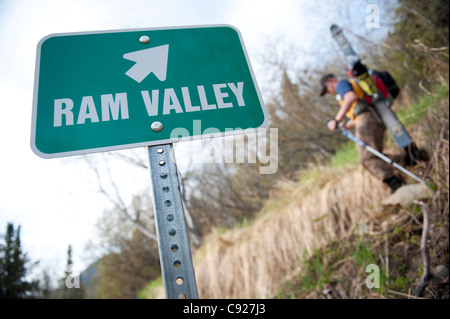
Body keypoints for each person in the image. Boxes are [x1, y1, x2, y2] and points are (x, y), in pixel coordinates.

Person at [320, 73, 405, 192]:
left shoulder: (341, 85)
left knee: (367, 158)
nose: (329, 92)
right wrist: (347, 124)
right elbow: (358, 109)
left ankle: (396, 184)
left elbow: (351, 96)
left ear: (330, 80)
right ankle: (411, 159)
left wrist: (336, 119)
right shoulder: (346, 87)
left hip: (367, 118)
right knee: (374, 156)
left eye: (326, 89)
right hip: (369, 117)